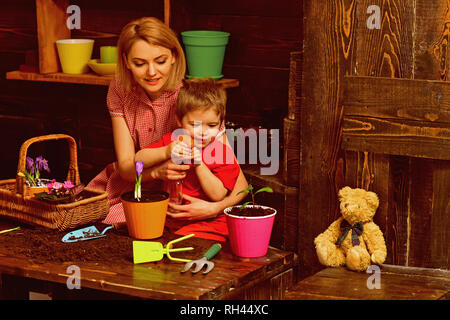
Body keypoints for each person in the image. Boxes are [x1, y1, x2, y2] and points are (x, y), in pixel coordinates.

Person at [87, 17, 248, 225]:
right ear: (126, 61)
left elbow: (240, 180)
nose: (152, 72)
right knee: (97, 221)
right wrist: (156, 172)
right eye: (139, 63)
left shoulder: (191, 99)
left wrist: (214, 209)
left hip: (177, 197)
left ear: (173, 56)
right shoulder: (121, 88)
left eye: (160, 61)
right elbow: (127, 168)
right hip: (133, 184)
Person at [136, 78, 240, 241]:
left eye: (212, 125)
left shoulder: (222, 153)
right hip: (169, 221)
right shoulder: (173, 141)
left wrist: (199, 165)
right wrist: (166, 151)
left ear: (220, 124)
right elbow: (138, 160)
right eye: (195, 124)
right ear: (179, 120)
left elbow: (218, 195)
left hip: (208, 224)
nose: (203, 132)